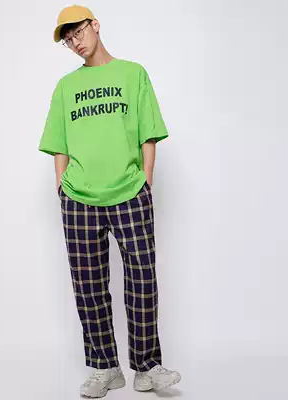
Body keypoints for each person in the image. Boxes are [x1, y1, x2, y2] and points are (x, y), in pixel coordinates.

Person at [38, 4, 181, 398]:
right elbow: (58, 143)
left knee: (142, 280)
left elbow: (148, 133)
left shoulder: (133, 74)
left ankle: (147, 366)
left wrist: (145, 182)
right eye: (67, 39)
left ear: (95, 25)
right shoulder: (66, 87)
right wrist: (61, 187)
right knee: (88, 285)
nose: (74, 41)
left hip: (130, 192)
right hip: (79, 198)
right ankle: (105, 368)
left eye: (78, 32)